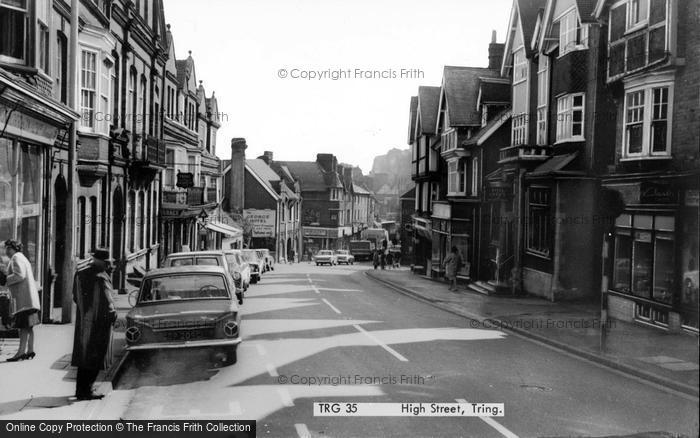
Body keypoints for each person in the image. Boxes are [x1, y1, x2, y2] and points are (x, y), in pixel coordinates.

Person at [71, 248, 117, 400]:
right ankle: (87, 391)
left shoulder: (81, 273)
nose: (108, 265)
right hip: (98, 324)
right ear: (103, 262)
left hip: (83, 322)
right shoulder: (101, 277)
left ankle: (80, 390)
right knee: (96, 357)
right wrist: (113, 317)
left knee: (83, 358)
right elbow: (109, 302)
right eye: (107, 263)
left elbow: (75, 297)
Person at [3, 240, 40, 362]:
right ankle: (30, 350)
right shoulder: (22, 257)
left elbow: (19, 275)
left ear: (14, 249)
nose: (6, 251)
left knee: (23, 326)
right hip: (29, 299)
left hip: (24, 300)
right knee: (29, 327)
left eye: (9, 249)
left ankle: (20, 353)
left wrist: (5, 280)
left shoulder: (15, 258)